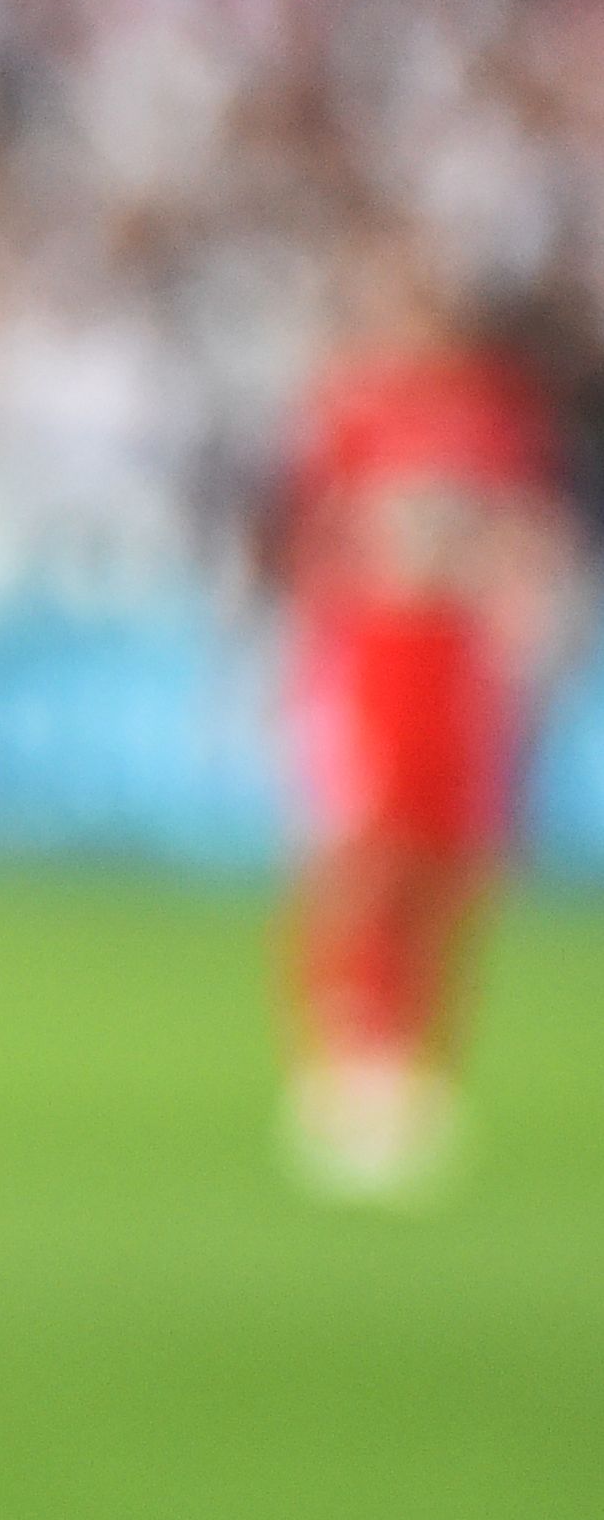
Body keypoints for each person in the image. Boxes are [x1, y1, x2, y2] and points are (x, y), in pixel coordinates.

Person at [275, 221, 578, 1196]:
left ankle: (413, 1060)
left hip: (461, 658)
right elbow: (316, 538)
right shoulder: (353, 410)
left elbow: (525, 535)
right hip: (379, 648)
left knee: (454, 864)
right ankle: (344, 1055)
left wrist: (529, 630)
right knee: (372, 857)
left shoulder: (498, 414)